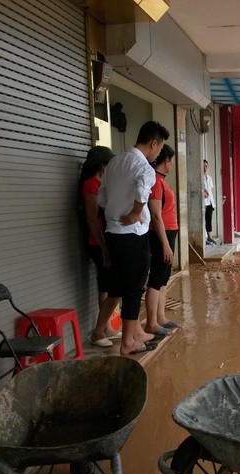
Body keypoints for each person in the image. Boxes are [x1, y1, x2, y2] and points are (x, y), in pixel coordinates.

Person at [91, 121, 170, 356]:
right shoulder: (143, 166)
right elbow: (142, 190)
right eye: (159, 148)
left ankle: (99, 332)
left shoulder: (115, 161)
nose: (158, 153)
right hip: (132, 236)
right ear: (154, 143)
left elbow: (102, 196)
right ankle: (128, 343)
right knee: (134, 289)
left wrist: (114, 213)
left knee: (116, 287)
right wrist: (135, 213)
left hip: (113, 234)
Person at [80, 146, 119, 347]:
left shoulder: (99, 184)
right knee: (111, 285)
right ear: (103, 166)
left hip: (103, 241)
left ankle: (105, 328)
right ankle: (99, 331)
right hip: (97, 243)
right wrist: (104, 248)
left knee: (105, 285)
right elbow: (92, 220)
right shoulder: (90, 185)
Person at [145, 144, 180, 335]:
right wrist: (165, 244)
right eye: (171, 160)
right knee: (156, 277)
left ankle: (160, 317)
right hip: (161, 235)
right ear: (166, 161)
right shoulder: (155, 182)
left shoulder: (161, 181)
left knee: (164, 278)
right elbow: (156, 215)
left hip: (168, 233)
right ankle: (151, 323)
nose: (172, 164)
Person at [203, 159, 216, 245]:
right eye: (203, 166)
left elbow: (210, 191)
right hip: (203, 202)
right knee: (203, 220)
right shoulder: (199, 177)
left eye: (206, 166)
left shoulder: (209, 177)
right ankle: (204, 238)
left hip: (210, 201)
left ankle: (210, 236)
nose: (205, 168)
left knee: (209, 219)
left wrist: (213, 203)